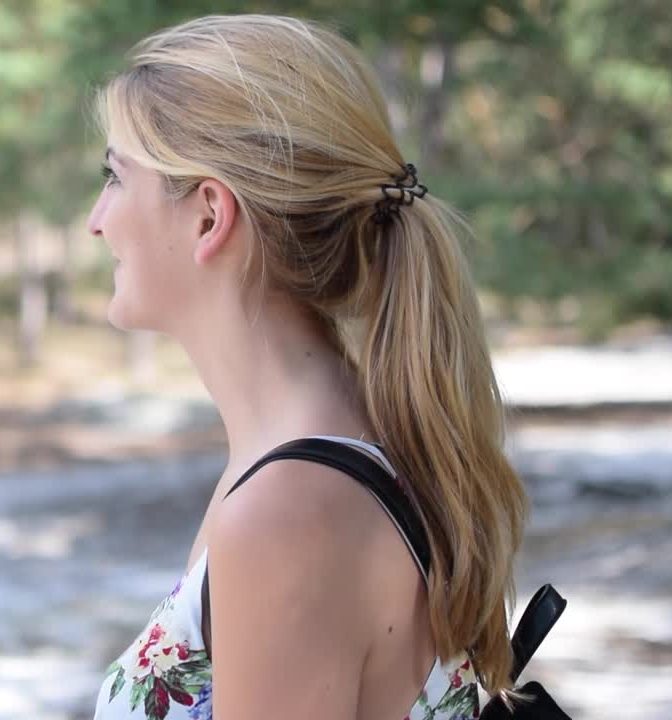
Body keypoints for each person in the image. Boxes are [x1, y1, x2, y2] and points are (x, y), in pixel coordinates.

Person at [85, 14, 529, 720]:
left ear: (208, 216)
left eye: (115, 176)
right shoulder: (323, 451)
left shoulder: (288, 508)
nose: (96, 220)